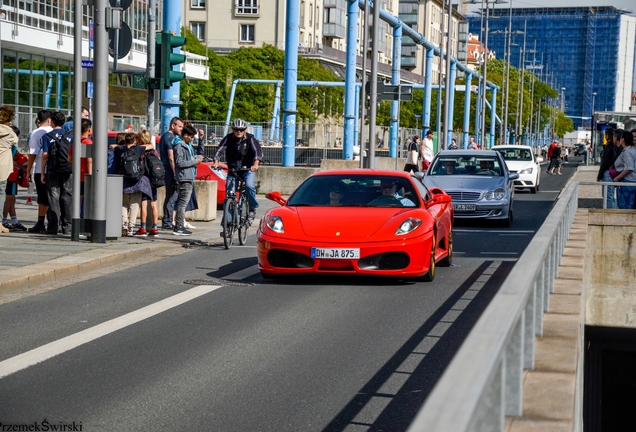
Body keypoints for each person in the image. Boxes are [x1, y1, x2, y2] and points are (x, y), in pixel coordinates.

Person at [212, 118, 263, 223]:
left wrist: (255, 164)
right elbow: (220, 150)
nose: (238, 131)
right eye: (236, 129)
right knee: (229, 196)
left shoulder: (250, 138)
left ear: (244, 130)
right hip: (233, 169)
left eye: (241, 129)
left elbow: (257, 152)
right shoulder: (228, 138)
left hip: (247, 168)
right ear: (232, 129)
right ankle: (227, 224)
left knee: (249, 186)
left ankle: (252, 208)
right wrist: (216, 161)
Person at [110, 132, 154, 236]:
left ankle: (124, 224)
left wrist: (120, 145)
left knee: (123, 203)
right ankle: (131, 227)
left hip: (124, 179)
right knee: (135, 204)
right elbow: (151, 146)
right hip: (136, 180)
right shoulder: (138, 149)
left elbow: (112, 146)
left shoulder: (120, 149)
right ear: (135, 141)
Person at [172, 125, 203, 236]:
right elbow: (180, 163)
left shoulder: (186, 145)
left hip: (188, 177)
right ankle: (179, 226)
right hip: (184, 177)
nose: (192, 139)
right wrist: (195, 162)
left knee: (182, 203)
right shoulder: (179, 146)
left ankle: (179, 226)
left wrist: (201, 140)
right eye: (191, 137)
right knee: (182, 203)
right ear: (185, 135)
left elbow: (198, 153)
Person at [26, 110, 53, 233]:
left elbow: (32, 153)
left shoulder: (35, 133)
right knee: (54, 196)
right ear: (49, 120)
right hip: (54, 168)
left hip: (39, 169)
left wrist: (28, 170)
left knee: (42, 198)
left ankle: (41, 222)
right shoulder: (55, 131)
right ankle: (55, 222)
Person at [158, 116, 184, 230]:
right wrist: (176, 173)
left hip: (167, 170)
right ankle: (167, 221)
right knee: (171, 197)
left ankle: (168, 220)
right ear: (173, 126)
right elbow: (171, 157)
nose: (181, 129)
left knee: (170, 196)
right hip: (169, 171)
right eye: (179, 126)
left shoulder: (165, 136)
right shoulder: (170, 137)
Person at [135, 130, 160, 237]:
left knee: (144, 204)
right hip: (154, 179)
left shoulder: (140, 150)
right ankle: (155, 227)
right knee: (154, 204)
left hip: (144, 179)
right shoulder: (154, 151)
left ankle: (143, 227)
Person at [3, 125, 27, 231]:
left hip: (12, 174)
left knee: (12, 199)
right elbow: (9, 159)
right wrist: (20, 165)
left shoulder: (12, 146)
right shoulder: (9, 146)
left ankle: (14, 221)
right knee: (8, 198)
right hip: (9, 174)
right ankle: (3, 220)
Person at [0, 106, 19, 234]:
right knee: (1, 194)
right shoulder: (8, 132)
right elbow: (15, 139)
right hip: (2, 168)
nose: (11, 122)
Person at [612, 131, 636, 209]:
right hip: (630, 181)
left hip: (627, 181)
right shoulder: (631, 150)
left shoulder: (627, 152)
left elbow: (629, 167)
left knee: (625, 206)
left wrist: (616, 178)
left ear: (623, 139)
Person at [597, 127, 618, 209]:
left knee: (607, 195)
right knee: (611, 194)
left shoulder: (608, 147)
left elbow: (604, 163)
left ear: (608, 136)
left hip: (608, 173)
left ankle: (609, 212)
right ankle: (612, 209)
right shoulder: (614, 147)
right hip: (613, 173)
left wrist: (599, 176)